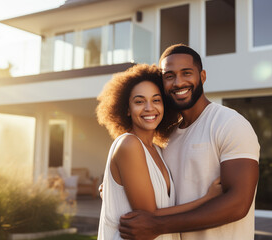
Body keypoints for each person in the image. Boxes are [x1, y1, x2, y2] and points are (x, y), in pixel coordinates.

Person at [119, 44, 260, 240]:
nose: (178, 82)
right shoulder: (166, 137)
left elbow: (238, 203)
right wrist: (116, 187)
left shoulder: (229, 123)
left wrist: (158, 226)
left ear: (202, 76)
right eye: (169, 76)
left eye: (186, 73)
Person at [95, 64, 222, 240]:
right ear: (126, 109)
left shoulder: (158, 150)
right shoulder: (129, 144)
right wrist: (207, 199)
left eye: (156, 100)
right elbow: (150, 217)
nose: (149, 108)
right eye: (139, 101)